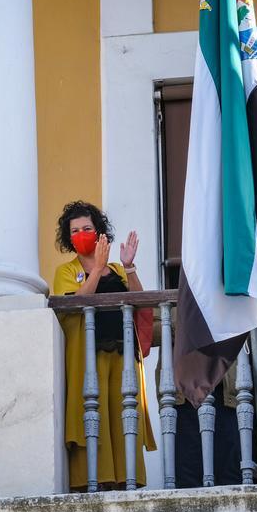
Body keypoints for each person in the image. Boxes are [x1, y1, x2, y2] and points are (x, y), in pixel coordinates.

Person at [51, 201, 155, 491]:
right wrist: (96, 269)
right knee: (93, 416)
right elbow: (75, 303)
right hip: (88, 357)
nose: (81, 233)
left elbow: (140, 301)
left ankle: (126, 479)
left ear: (99, 233)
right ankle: (92, 481)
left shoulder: (118, 271)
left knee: (123, 416)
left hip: (123, 355)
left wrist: (130, 266)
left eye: (87, 228)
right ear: (67, 237)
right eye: (75, 231)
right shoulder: (66, 271)